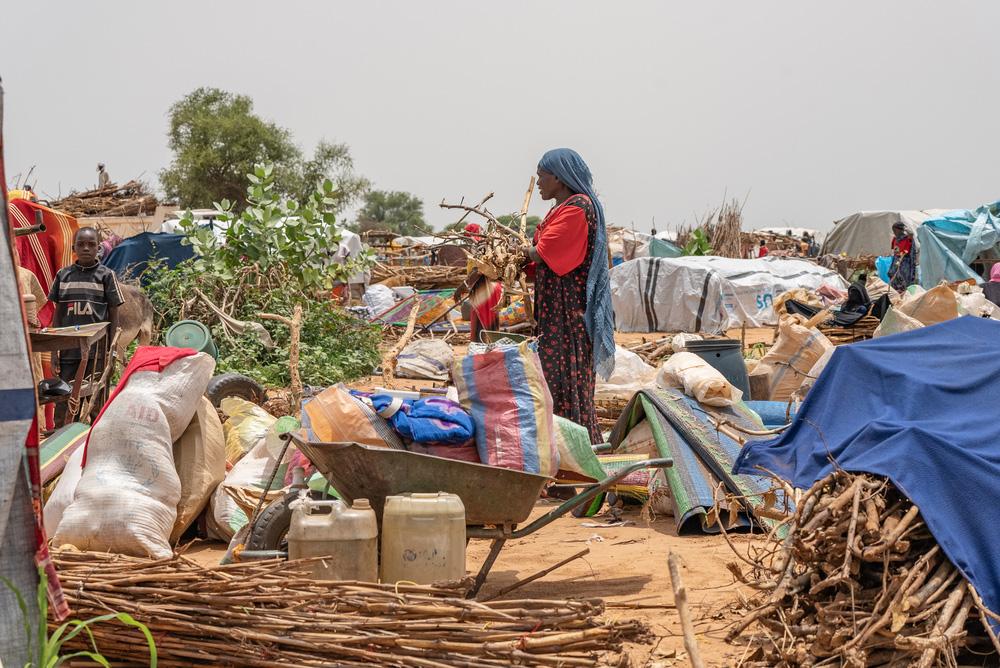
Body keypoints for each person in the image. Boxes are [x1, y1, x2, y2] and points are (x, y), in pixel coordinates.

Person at [521, 148, 615, 443]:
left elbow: (543, 253)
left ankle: (574, 451)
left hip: (566, 317)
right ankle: (559, 451)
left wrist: (519, 252)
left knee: (562, 383)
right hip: (554, 314)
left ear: (559, 178)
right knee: (553, 383)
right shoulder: (561, 209)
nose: (538, 183)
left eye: (542, 176)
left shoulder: (578, 208)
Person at [48, 227, 125, 421]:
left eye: (91, 245)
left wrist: (111, 351)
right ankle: (64, 443)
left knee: (96, 404)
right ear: (74, 247)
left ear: (98, 248)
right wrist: (54, 351)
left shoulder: (106, 276)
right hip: (68, 353)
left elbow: (114, 313)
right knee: (65, 403)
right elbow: (58, 314)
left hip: (96, 354)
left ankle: (94, 442)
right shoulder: (62, 276)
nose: (86, 248)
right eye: (81, 244)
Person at [888, 222, 917, 292]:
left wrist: (905, 228)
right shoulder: (895, 239)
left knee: (904, 281)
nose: (894, 232)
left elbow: (911, 233)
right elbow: (895, 252)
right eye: (893, 230)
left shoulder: (907, 238)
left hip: (904, 264)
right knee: (894, 281)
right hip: (896, 263)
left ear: (900, 230)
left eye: (895, 230)